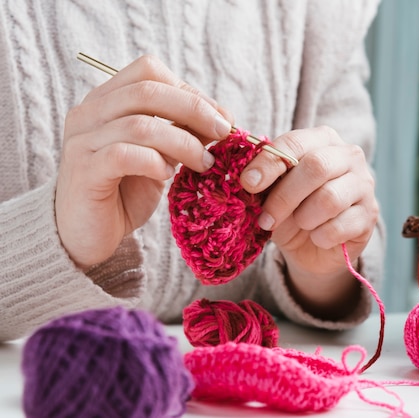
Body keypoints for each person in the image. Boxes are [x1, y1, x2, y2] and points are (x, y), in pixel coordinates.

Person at [0, 0, 385, 341]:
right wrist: (55, 238)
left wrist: (321, 270)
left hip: (240, 376)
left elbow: (355, 242)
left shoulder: (326, 9)